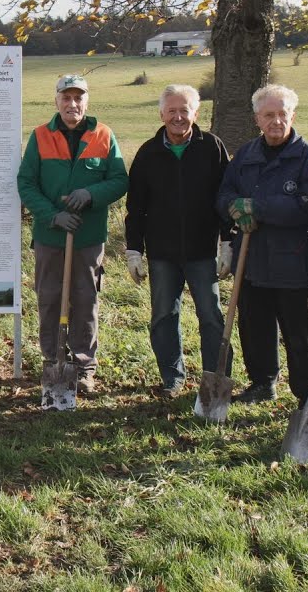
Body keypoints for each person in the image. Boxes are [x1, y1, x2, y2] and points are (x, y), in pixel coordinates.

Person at [17, 74, 128, 393]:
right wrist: (53, 215)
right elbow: (26, 183)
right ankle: (53, 360)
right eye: (66, 97)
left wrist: (91, 194)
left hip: (88, 237)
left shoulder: (104, 134)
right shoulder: (40, 137)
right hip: (50, 237)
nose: (72, 103)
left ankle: (83, 366)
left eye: (78, 97)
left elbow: (120, 180)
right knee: (50, 299)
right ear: (56, 101)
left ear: (87, 101)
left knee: (85, 298)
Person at [216, 84, 308, 408]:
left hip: (293, 261)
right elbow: (223, 195)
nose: (276, 121)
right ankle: (263, 383)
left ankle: (307, 394)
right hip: (250, 259)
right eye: (268, 115)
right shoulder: (246, 156)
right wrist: (235, 207)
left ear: (292, 115)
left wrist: (258, 207)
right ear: (257, 119)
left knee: (301, 333)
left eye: (282, 114)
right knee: (254, 326)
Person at [123, 84, 232, 398]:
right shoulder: (148, 153)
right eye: (172, 111)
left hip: (203, 252)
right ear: (161, 114)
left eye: (184, 110)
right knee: (163, 316)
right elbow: (136, 208)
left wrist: (228, 242)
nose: (178, 117)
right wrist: (133, 250)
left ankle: (216, 377)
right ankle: (172, 379)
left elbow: (226, 199)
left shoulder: (212, 147)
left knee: (211, 315)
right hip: (162, 253)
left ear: (196, 113)